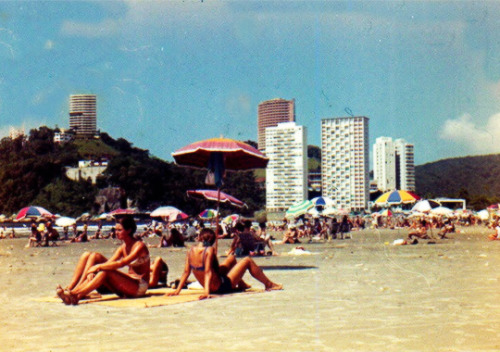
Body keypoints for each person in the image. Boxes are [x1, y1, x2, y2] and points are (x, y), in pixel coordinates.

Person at [56, 216, 151, 305]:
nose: (116, 232)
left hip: (139, 286)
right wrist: (92, 271)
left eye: (119, 230)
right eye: (115, 230)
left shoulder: (139, 246)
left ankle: (75, 294)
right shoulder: (123, 247)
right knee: (94, 256)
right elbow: (109, 263)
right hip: (128, 282)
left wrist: (97, 267)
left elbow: (121, 263)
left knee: (104, 271)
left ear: (129, 230)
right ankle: (73, 290)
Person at [167, 228, 282, 300]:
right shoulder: (209, 250)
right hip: (220, 287)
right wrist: (207, 292)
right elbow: (208, 272)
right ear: (212, 241)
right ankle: (268, 284)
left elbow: (186, 272)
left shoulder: (190, 250)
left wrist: (177, 291)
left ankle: (241, 284)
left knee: (231, 258)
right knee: (247, 260)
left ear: (199, 237)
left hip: (211, 284)